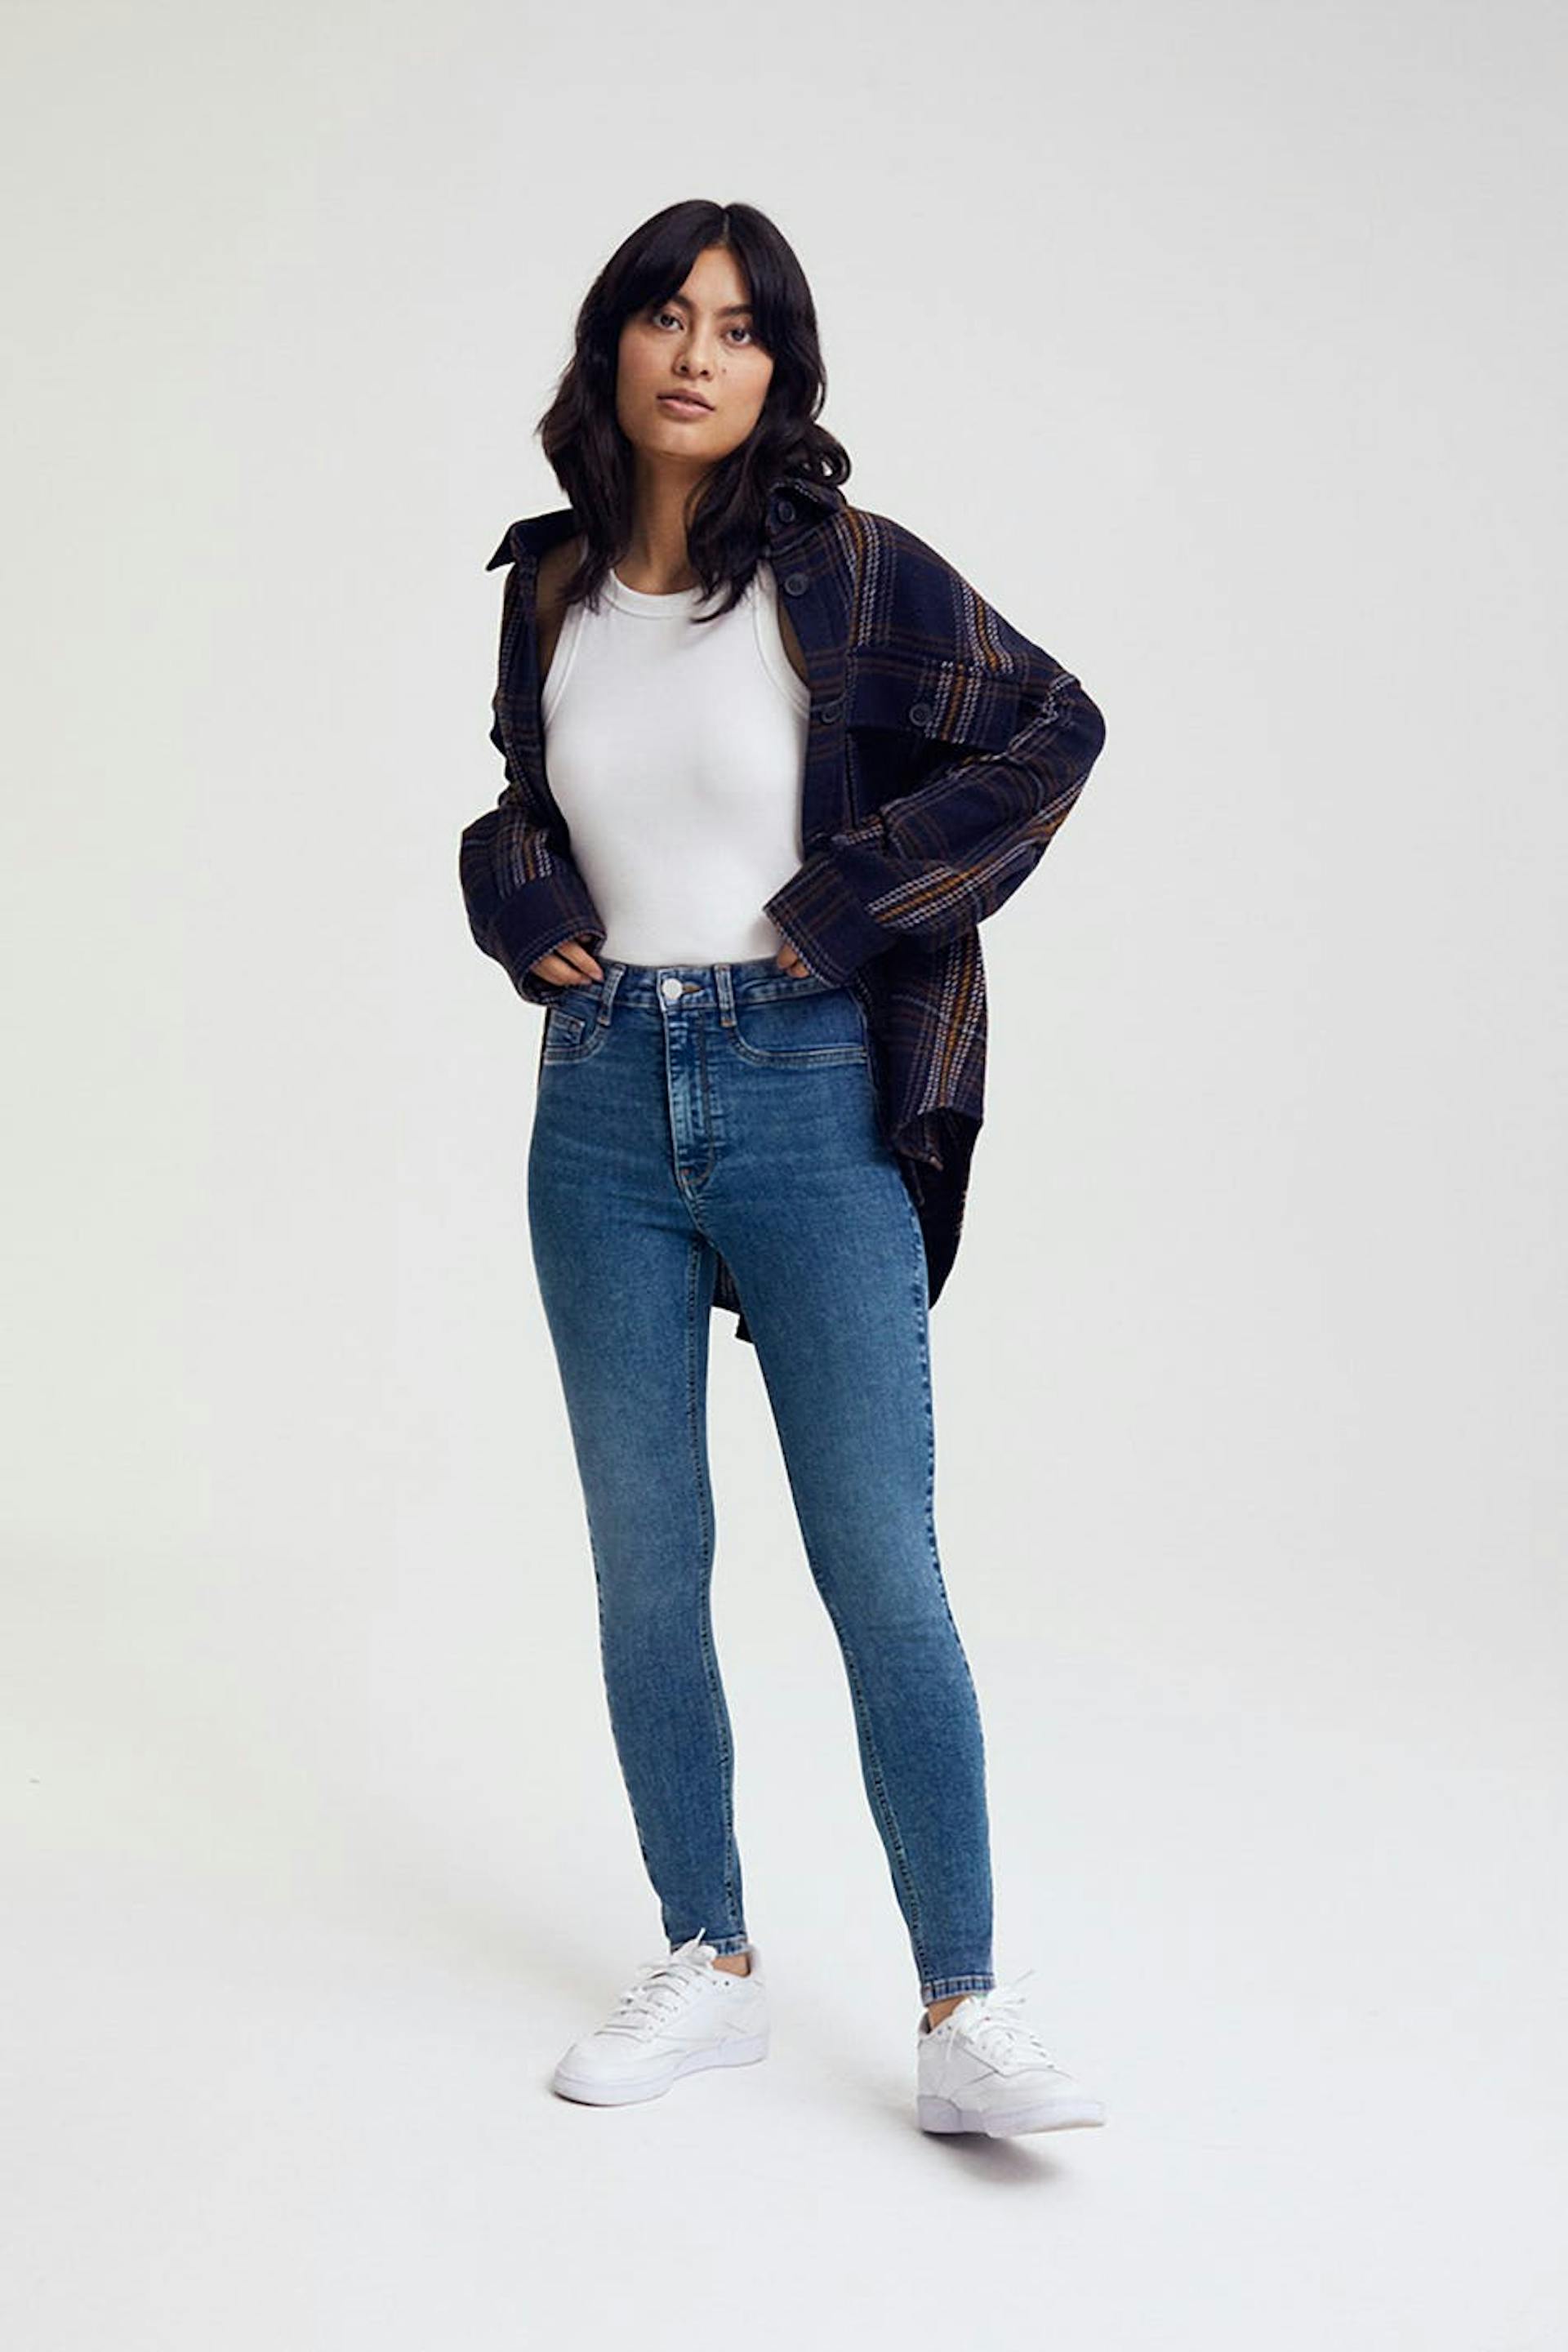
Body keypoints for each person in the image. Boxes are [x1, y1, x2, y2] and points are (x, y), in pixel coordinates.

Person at [460, 199, 1109, 2140]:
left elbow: (1053, 726)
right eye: (667, 315)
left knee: (878, 1563)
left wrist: (843, 908)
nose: (697, 355)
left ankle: (963, 2010)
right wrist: (515, 894)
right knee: (648, 1561)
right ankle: (710, 1962)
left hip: (806, 1086)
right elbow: (527, 801)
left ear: (779, 372)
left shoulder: (845, 572)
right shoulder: (552, 586)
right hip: (599, 1103)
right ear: (614, 343)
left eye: (739, 330)